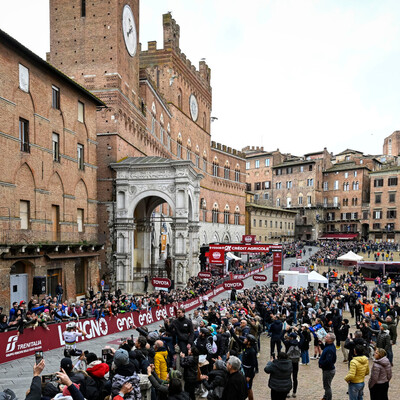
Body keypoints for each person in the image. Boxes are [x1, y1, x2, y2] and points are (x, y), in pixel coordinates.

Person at [318, 332, 337, 400]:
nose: (324, 338)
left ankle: (328, 398)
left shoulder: (330, 349)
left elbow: (328, 361)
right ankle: (325, 397)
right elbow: (325, 348)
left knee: (327, 386)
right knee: (326, 385)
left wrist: (321, 364)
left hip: (328, 370)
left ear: (330, 340)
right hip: (327, 369)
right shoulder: (328, 345)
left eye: (326, 337)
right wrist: (321, 344)